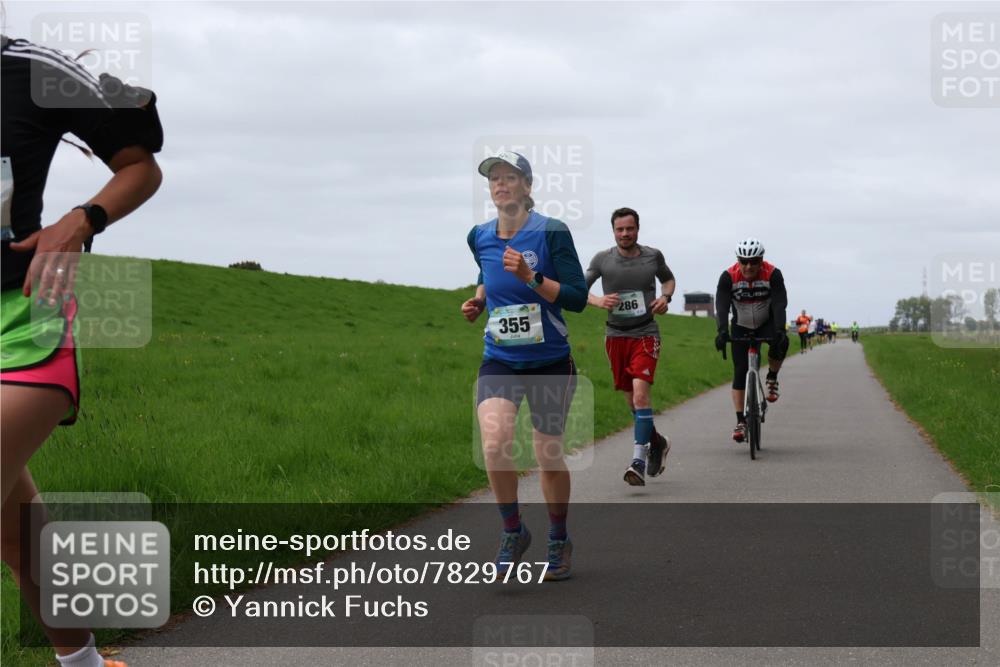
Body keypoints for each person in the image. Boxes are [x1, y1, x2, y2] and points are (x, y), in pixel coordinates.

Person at [1, 35, 163, 667]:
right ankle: (86, 664)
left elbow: (140, 165)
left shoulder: (33, 70)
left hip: (22, 322)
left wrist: (82, 218)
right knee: (17, 534)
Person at [462, 150, 587, 581]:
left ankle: (558, 538)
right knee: (494, 444)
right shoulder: (479, 234)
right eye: (494, 178)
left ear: (527, 187)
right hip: (500, 359)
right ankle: (513, 530)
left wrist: (532, 279)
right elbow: (485, 272)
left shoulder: (552, 232)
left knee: (547, 453)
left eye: (509, 177)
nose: (500, 184)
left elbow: (576, 296)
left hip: (551, 361)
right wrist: (479, 300)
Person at [585, 207, 675, 486]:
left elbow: (668, 279)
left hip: (646, 332)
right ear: (613, 231)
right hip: (615, 336)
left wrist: (665, 298)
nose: (625, 234)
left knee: (640, 395)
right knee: (631, 401)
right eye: (620, 229)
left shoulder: (652, 256)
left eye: (630, 229)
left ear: (638, 229)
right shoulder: (602, 260)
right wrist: (598, 301)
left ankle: (637, 460)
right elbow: (577, 288)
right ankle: (657, 442)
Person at [714, 238, 789, 443]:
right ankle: (741, 421)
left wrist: (780, 330)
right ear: (738, 260)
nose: (748, 266)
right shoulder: (728, 276)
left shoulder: (773, 274)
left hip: (767, 321)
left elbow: (780, 303)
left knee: (781, 343)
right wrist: (721, 331)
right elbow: (721, 305)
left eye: (754, 262)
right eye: (744, 261)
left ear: (761, 260)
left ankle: (772, 377)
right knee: (739, 370)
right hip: (741, 324)